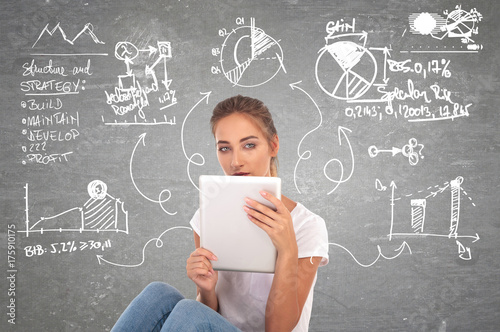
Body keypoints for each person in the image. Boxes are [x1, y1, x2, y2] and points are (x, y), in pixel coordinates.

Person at [111, 95, 329, 332]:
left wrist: (287, 248)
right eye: (225, 148)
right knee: (158, 293)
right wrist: (206, 289)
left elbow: (279, 329)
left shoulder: (307, 226)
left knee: (189, 311)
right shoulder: (208, 216)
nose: (235, 161)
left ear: (273, 145)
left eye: (249, 145)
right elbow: (207, 314)